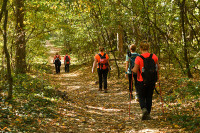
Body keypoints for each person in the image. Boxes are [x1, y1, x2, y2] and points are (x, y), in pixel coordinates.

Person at [132, 41, 160, 120]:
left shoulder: (138, 58)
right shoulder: (154, 56)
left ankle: (144, 109)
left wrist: (131, 70)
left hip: (141, 80)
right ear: (148, 48)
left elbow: (135, 69)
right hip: (151, 80)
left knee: (141, 96)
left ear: (140, 49)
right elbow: (158, 67)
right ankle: (148, 114)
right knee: (149, 97)